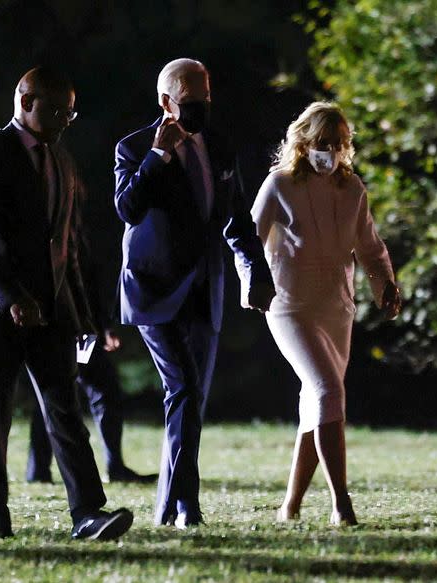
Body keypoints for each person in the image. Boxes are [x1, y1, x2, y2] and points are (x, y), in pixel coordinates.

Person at [0, 66, 133, 540]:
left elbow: (66, 243)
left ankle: (88, 513)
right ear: (25, 101)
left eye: (71, 112)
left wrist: (82, 313)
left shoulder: (62, 161)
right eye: (56, 110)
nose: (66, 120)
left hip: (50, 309)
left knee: (65, 409)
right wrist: (10, 296)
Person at [114, 58, 275, 528]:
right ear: (167, 103)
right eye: (190, 102)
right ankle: (187, 506)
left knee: (189, 399)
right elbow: (127, 208)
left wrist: (253, 271)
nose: (201, 108)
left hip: (206, 287)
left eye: (206, 99)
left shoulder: (220, 147)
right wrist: (158, 156)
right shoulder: (134, 147)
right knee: (182, 388)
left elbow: (236, 220)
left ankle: (168, 506)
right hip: (153, 288)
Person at [248, 102, 401, 526]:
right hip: (289, 306)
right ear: (304, 141)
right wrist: (251, 285)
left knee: (316, 404)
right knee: (328, 392)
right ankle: (341, 504)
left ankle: (290, 506)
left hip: (337, 307)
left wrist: (385, 286)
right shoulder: (278, 185)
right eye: (322, 143)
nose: (329, 152)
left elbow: (370, 249)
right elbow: (247, 240)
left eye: (337, 145)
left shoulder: (352, 190)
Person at [26, 228, 157, 484]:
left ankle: (39, 470)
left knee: (59, 394)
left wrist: (102, 325)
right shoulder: (61, 224)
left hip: (75, 324)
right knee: (82, 392)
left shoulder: (70, 226)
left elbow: (87, 280)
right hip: (63, 322)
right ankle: (109, 467)